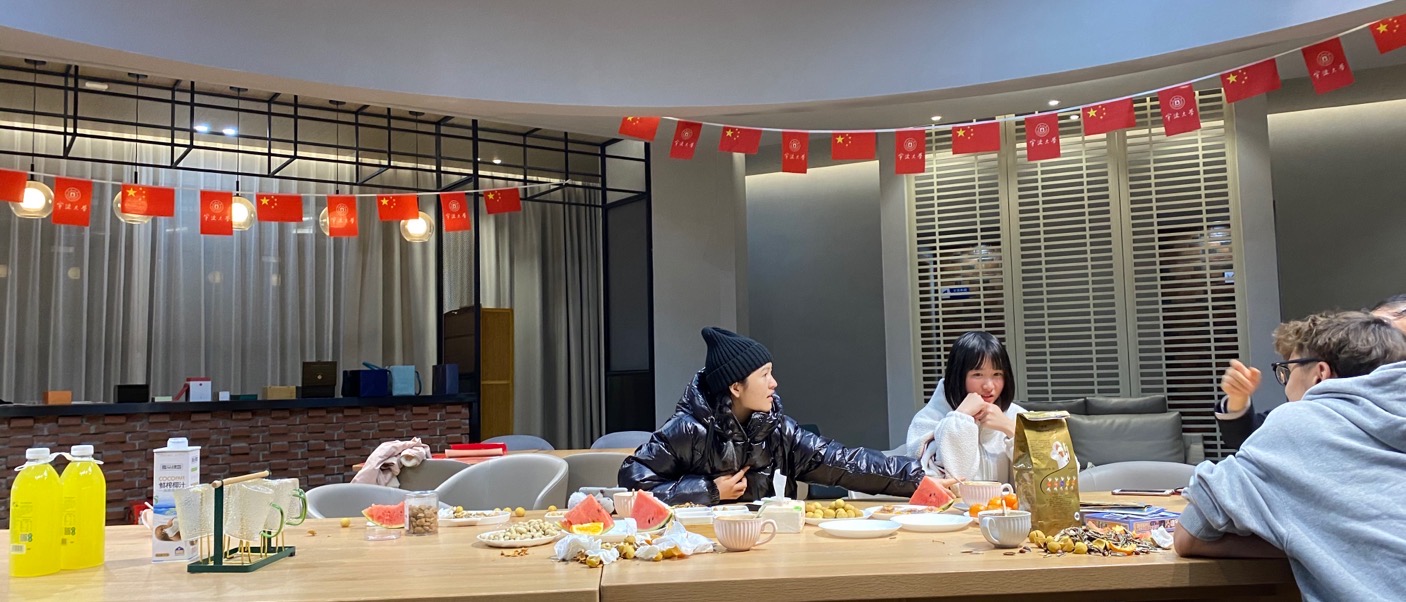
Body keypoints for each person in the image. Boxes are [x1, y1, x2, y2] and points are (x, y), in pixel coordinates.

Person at [1175, 311, 1406, 601]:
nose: (1285, 385)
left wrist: (1306, 547)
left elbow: (1190, 534)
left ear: (1320, 373)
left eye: (1288, 371)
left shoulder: (1300, 421)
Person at [619, 327, 936, 505]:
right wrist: (708, 490)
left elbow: (841, 462)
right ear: (736, 387)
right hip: (698, 550)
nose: (774, 383)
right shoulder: (688, 429)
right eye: (765, 374)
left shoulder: (774, 429)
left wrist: (919, 478)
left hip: (761, 544)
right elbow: (633, 483)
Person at [1216, 295, 1406, 449]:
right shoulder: (1302, 421)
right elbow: (1252, 437)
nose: (1380, 340)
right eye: (1373, 327)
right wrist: (1238, 399)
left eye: (1395, 337)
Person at [904, 331, 1024, 482]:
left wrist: (1011, 429)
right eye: (977, 374)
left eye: (997, 374)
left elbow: (1044, 478)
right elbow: (947, 479)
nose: (989, 386)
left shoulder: (1018, 416)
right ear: (958, 376)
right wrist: (961, 418)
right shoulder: (928, 420)